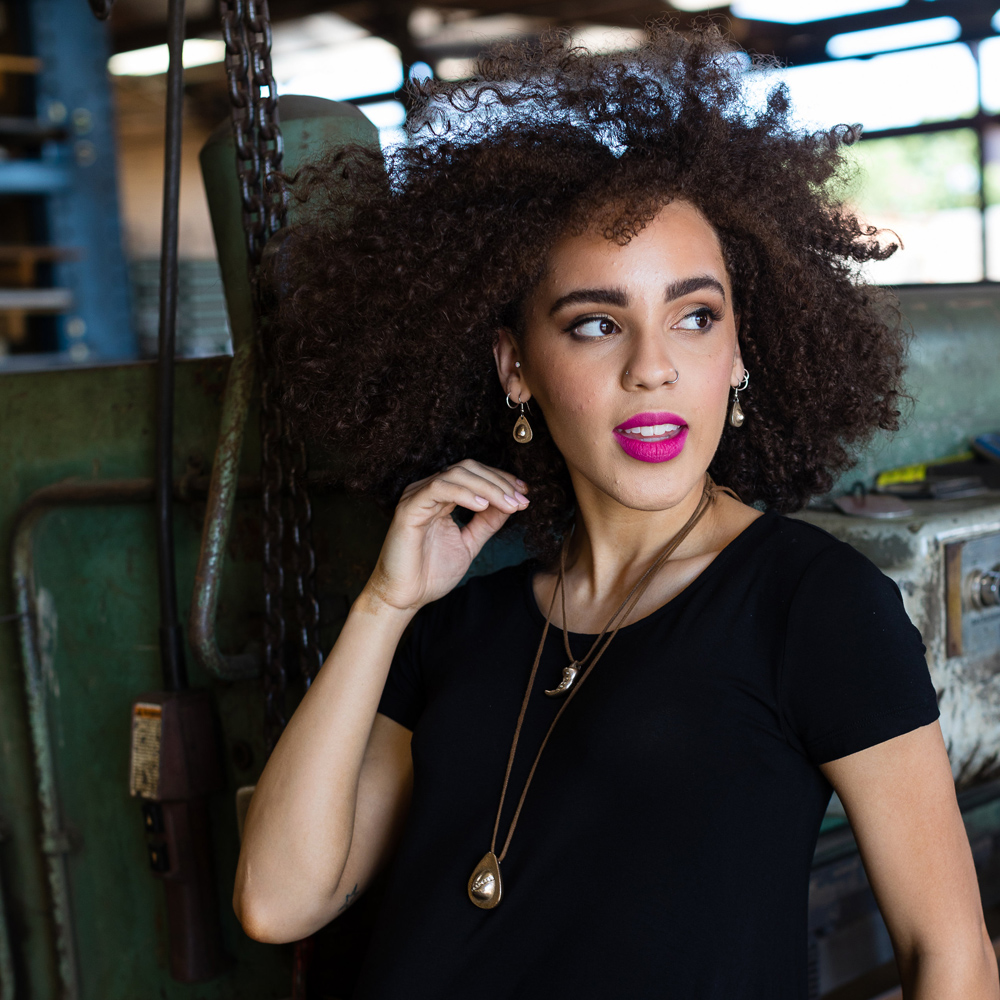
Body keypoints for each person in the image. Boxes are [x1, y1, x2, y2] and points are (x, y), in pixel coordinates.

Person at [234, 24, 999, 999]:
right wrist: (384, 607)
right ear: (516, 367)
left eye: (694, 316)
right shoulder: (455, 625)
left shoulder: (811, 605)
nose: (652, 367)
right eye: (596, 323)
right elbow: (277, 899)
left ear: (739, 352)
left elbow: (953, 958)